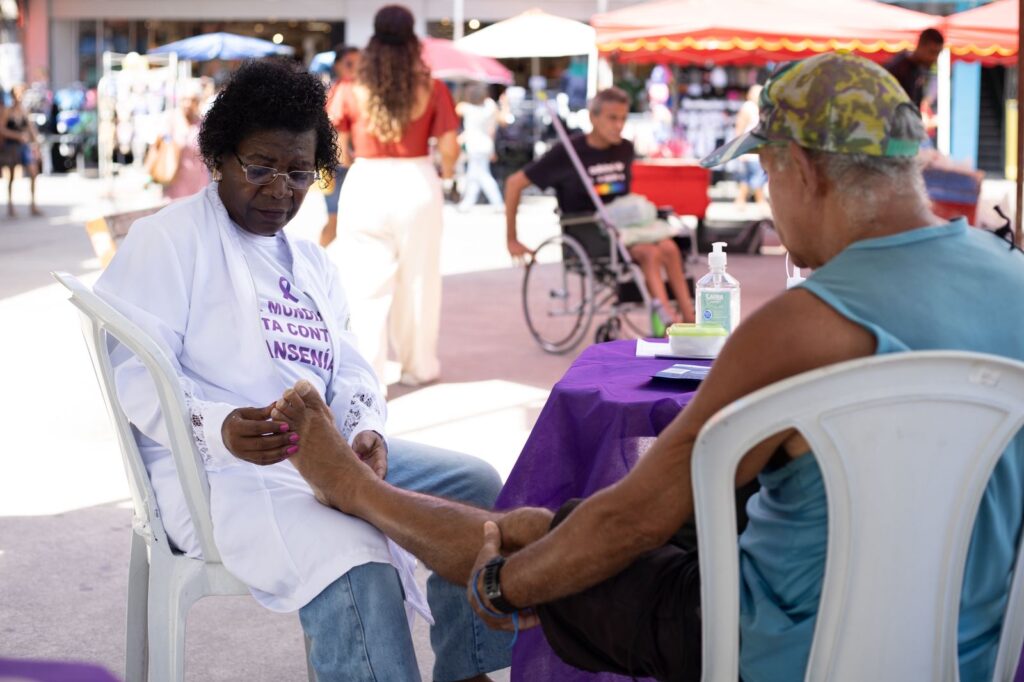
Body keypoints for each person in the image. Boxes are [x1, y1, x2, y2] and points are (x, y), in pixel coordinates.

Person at [275, 52, 1024, 682]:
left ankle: (357, 490)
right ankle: (418, 509)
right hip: (968, 645)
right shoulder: (1014, 284)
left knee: (561, 542)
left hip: (778, 647)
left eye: (765, 174)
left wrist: (507, 587)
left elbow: (636, 520)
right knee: (564, 528)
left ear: (802, 170)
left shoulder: (803, 326)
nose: (770, 195)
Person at [94, 58, 510, 682]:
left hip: (323, 454)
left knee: (475, 488)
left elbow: (352, 369)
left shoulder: (312, 262)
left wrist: (364, 429)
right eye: (259, 166)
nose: (279, 189)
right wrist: (217, 426)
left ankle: (468, 670)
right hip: (217, 470)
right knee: (353, 552)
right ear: (219, 158)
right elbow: (133, 372)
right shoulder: (170, 240)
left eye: (298, 172)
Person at [328, 4, 460, 389]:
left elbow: (335, 142)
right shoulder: (431, 86)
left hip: (366, 180)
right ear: (412, 38)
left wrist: (352, 162)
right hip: (417, 180)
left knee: (364, 285)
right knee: (419, 280)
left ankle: (370, 373)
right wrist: (446, 175)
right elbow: (449, 147)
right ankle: (419, 366)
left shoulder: (351, 87)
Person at [504, 87, 695, 324]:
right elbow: (514, 184)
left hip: (627, 223)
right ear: (593, 117)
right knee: (650, 252)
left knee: (669, 247)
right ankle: (669, 319)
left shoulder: (624, 149)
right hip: (590, 230)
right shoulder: (568, 152)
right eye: (612, 118)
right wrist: (512, 238)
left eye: (623, 118)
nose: (618, 125)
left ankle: (690, 318)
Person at [321, 45, 361, 247]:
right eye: (349, 63)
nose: (355, 67)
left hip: (353, 163)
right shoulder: (338, 90)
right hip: (338, 165)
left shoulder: (356, 90)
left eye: (360, 63)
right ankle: (316, 267)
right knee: (335, 220)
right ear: (337, 65)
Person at [456, 83, 503, 211]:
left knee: (481, 175)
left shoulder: (467, 108)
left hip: (474, 145)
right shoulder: (489, 108)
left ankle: (497, 203)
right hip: (485, 144)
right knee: (475, 175)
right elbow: (494, 127)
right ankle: (467, 203)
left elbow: (457, 107)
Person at [161, 82, 209, 201]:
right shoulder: (171, 119)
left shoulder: (203, 123)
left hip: (199, 183)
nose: (187, 104)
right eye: (184, 99)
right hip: (175, 182)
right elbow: (162, 145)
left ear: (198, 102)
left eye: (192, 100)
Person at [0, 85, 42, 217]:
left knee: (33, 172)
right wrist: (17, 136)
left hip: (24, 147)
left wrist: (36, 141)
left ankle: (33, 204)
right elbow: (2, 129)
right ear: (13, 96)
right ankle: (11, 205)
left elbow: (31, 128)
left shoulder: (24, 111)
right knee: (11, 176)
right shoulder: (7, 111)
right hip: (11, 146)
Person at [884, 28, 944, 108]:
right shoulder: (898, 69)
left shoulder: (919, 71)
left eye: (938, 53)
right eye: (932, 52)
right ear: (921, 45)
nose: (934, 58)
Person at [732, 84, 766, 208]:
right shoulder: (748, 107)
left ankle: (740, 201)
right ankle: (760, 201)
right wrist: (739, 148)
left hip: (756, 149)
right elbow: (739, 128)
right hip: (749, 149)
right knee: (756, 176)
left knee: (748, 177)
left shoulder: (760, 107)